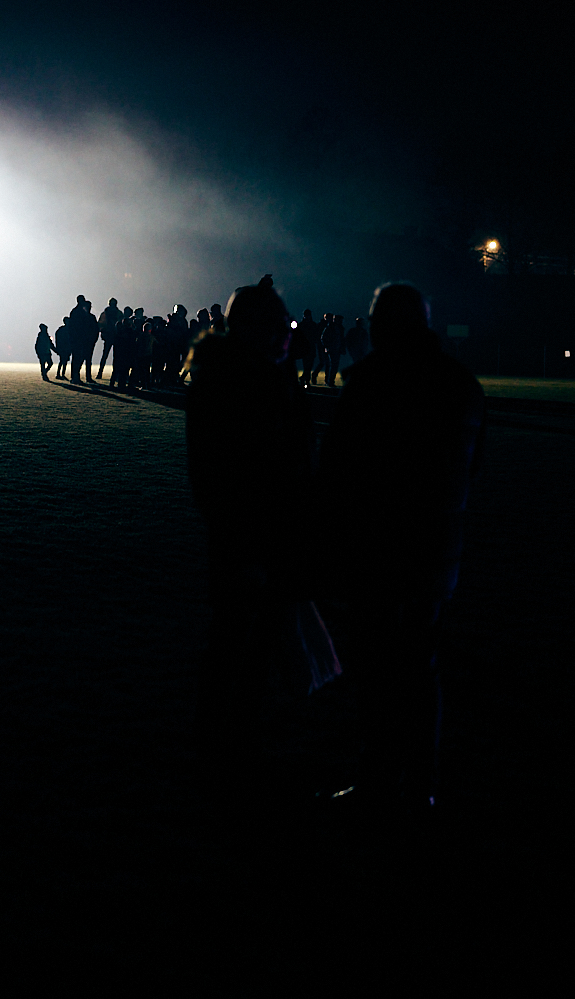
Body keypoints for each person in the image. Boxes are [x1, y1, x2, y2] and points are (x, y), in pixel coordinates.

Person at [319, 283, 486, 810]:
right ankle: (420, 786)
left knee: (375, 672)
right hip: (438, 552)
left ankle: (376, 779)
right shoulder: (461, 384)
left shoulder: (370, 382)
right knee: (420, 668)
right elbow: (474, 468)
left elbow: (339, 473)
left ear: (381, 324)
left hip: (377, 549)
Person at [186, 283, 332, 780]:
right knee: (243, 648)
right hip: (256, 539)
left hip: (256, 538)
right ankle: (230, 753)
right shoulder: (246, 382)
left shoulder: (237, 375)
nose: (290, 336)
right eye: (282, 326)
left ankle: (230, 748)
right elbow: (248, 473)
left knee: (244, 647)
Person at [97, 298, 123, 378]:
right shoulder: (119, 313)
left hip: (108, 336)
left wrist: (103, 332)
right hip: (116, 337)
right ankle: (115, 375)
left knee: (105, 355)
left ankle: (100, 373)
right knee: (116, 357)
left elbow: (100, 324)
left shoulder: (105, 313)